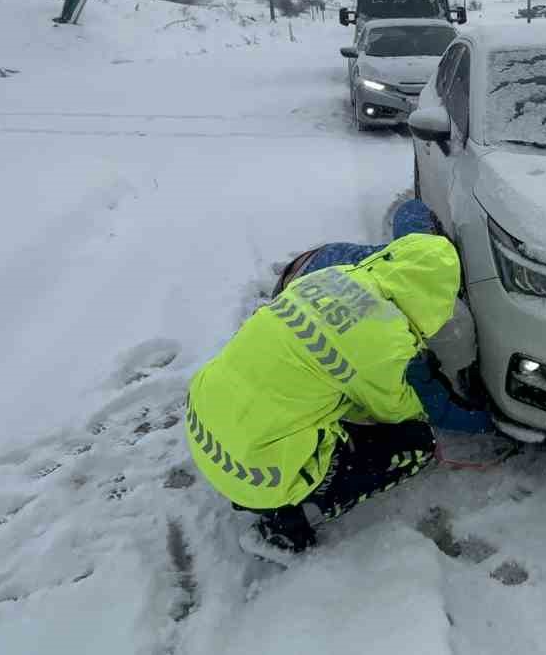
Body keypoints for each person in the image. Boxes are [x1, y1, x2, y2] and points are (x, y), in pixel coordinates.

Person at [186, 200, 491, 554]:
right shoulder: (386, 341)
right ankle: (292, 519)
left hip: (202, 421)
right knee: (416, 444)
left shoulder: (329, 277)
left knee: (322, 389)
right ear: (434, 300)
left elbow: (336, 360)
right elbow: (405, 411)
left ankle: (271, 469)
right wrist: (484, 417)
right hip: (255, 473)